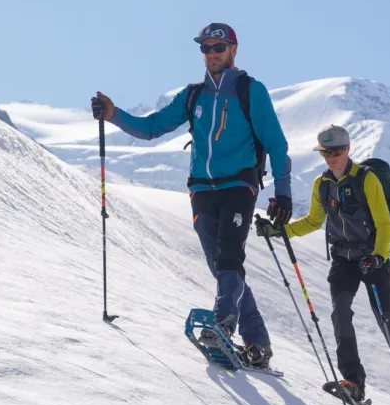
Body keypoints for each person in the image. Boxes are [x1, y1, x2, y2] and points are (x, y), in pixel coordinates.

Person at [91, 23, 292, 368]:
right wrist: (113, 115)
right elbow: (152, 127)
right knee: (221, 266)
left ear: (233, 49)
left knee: (229, 257)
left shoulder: (249, 90)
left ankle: (223, 327)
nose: (211, 53)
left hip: (239, 186)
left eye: (218, 47)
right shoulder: (193, 95)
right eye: (205, 48)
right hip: (201, 189)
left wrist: (283, 193)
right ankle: (257, 343)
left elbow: (276, 143)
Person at [259, 125, 390, 405]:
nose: (330, 158)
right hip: (343, 260)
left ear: (348, 149)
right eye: (326, 153)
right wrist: (279, 231)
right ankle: (352, 381)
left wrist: (379, 255)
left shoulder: (366, 179)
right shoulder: (321, 184)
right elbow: (313, 221)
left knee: (388, 321)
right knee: (340, 313)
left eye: (336, 152)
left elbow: (385, 224)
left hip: (372, 259)